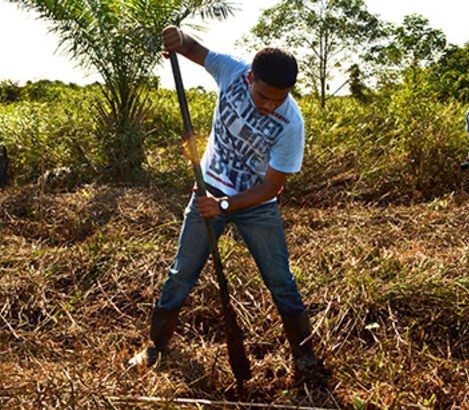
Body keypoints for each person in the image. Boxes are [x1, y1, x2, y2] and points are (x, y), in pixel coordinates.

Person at [128, 25, 323, 377]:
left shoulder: (291, 123)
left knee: (281, 281)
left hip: (256, 206)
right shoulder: (231, 71)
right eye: (263, 96)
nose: (269, 105)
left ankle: (304, 356)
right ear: (250, 77)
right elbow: (193, 49)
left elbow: (270, 187)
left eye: (279, 99)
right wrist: (177, 39)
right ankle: (155, 348)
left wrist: (225, 207)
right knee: (181, 274)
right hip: (208, 189)